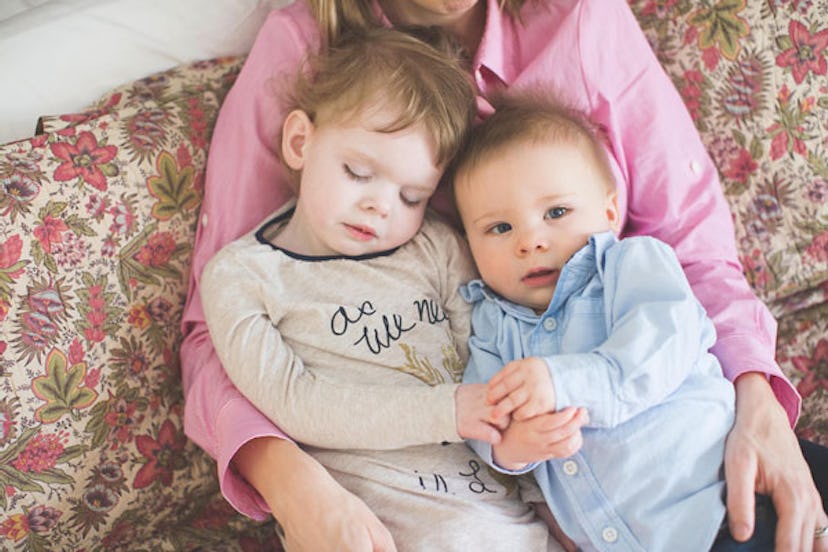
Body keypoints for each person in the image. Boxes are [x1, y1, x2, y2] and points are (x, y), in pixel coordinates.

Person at [180, 0, 828, 550]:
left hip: (679, 432)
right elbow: (217, 327)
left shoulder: (578, 17)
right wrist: (293, 485)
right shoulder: (305, 47)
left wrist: (758, 404)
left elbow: (687, 242)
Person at [198, 26, 566, 551]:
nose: (382, 206)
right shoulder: (244, 277)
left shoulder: (435, 249)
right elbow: (296, 404)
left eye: (413, 196)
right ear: (301, 142)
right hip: (380, 531)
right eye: (358, 172)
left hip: (501, 515)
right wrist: (450, 410)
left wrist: (540, 485)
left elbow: (488, 357)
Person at [453, 90, 778, 551]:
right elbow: (480, 412)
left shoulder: (630, 266)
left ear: (609, 212)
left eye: (556, 212)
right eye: (499, 228)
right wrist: (508, 447)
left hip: (724, 511)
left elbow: (658, 349)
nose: (530, 241)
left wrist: (560, 382)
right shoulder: (491, 325)